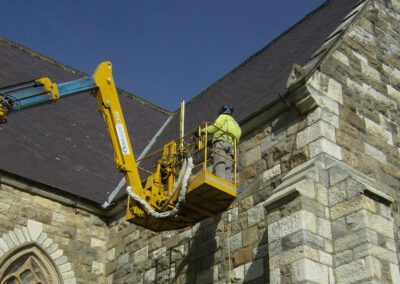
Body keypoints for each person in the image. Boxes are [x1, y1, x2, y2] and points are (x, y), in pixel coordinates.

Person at [201, 105, 242, 182]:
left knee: (220, 162)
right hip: (232, 146)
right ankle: (228, 182)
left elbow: (215, 127)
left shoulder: (223, 117)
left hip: (221, 143)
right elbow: (239, 134)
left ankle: (221, 182)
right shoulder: (236, 123)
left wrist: (201, 132)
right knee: (228, 166)